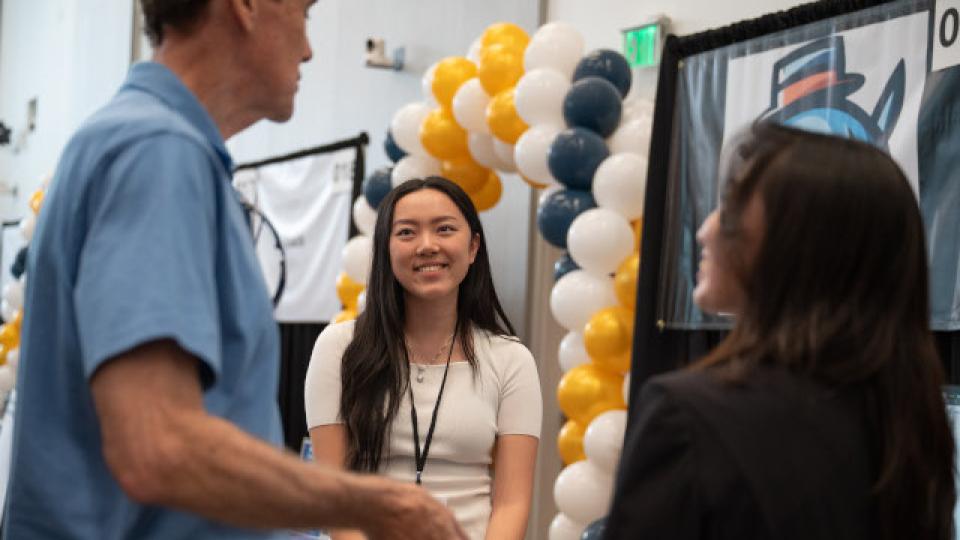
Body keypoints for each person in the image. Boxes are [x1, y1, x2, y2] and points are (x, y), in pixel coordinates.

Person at [4, 2, 466, 539]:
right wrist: (385, 505)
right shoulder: (157, 152)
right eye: (304, 12)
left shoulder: (142, 142)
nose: (309, 48)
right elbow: (158, 446)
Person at [604, 122, 956, 540]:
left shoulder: (689, 417)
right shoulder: (912, 428)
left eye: (731, 210)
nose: (706, 230)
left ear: (800, 246)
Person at [304, 177, 542, 540]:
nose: (428, 246)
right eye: (407, 233)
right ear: (385, 249)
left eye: (445, 229)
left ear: (473, 246)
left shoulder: (511, 359)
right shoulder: (339, 348)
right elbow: (332, 493)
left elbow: (512, 503)